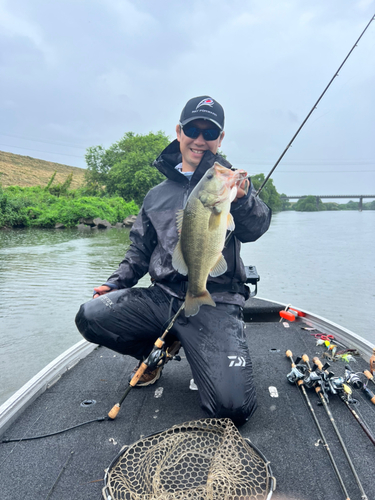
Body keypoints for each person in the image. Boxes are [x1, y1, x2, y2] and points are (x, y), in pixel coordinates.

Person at [75, 96, 271, 425]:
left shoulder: (231, 185)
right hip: (162, 296)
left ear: (220, 139)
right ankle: (158, 353)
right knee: (90, 315)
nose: (200, 138)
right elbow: (138, 250)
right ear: (179, 132)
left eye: (210, 132)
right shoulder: (156, 195)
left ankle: (198, 342)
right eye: (193, 128)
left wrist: (244, 197)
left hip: (216, 300)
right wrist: (114, 283)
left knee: (232, 409)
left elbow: (257, 227)